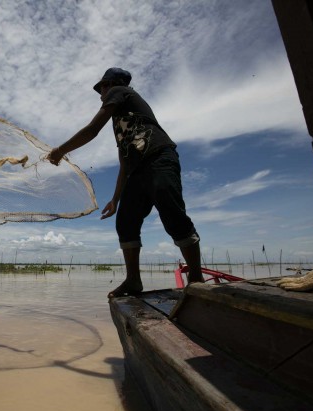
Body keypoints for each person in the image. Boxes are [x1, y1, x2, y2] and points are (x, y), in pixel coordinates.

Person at [48, 67, 204, 297]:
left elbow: (92, 130)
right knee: (126, 222)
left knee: (171, 210)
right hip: (136, 170)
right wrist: (115, 199)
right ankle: (133, 281)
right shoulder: (119, 120)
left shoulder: (119, 91)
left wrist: (61, 151)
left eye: (101, 87)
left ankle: (196, 277)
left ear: (109, 84)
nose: (101, 94)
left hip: (159, 156)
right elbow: (124, 163)